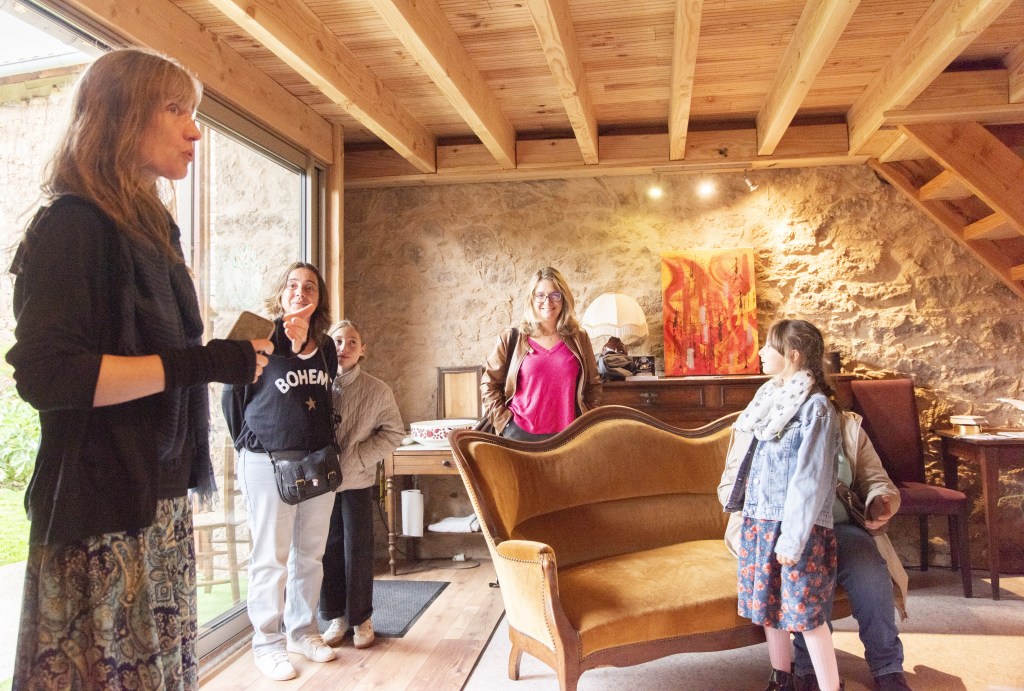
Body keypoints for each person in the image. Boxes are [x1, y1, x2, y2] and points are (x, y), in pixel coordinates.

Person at [6, 48, 269, 689]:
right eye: (175, 109)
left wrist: (214, 362)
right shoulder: (73, 227)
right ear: (121, 117)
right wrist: (204, 363)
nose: (194, 131)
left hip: (155, 506)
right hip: (100, 517)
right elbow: (49, 376)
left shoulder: (150, 230)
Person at [720, 406, 912, 691]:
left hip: (840, 528)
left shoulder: (846, 426)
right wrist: (768, 491)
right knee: (805, 571)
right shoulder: (757, 422)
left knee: (871, 575)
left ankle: (888, 668)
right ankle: (808, 670)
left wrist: (880, 500)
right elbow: (728, 489)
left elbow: (876, 480)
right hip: (780, 533)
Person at [222, 262, 338, 681]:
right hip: (267, 461)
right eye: (292, 285)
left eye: (309, 287)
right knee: (270, 558)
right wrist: (247, 444)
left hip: (317, 462)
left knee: (310, 554)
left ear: (319, 299)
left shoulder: (326, 347)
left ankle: (302, 631)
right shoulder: (260, 337)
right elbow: (232, 396)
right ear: (281, 293)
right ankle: (267, 642)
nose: (300, 292)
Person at [718, 319, 843, 691]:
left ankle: (830, 687)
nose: (760, 353)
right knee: (769, 609)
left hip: (795, 529)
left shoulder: (817, 409)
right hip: (760, 521)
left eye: (768, 347)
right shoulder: (770, 399)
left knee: (806, 615)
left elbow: (812, 480)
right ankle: (781, 679)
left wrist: (792, 539)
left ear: (793, 355)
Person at [319, 320, 405, 649]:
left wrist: (357, 458)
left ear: (363, 349)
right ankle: (335, 617)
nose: (344, 347)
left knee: (357, 549)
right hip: (320, 484)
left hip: (356, 481)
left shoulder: (378, 390)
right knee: (327, 549)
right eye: (338, 341)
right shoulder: (316, 385)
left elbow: (393, 433)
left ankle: (361, 618)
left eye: (352, 342)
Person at [481, 266, 601, 440]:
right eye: (540, 295)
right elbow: (489, 385)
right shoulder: (511, 338)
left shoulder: (579, 338)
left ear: (563, 298)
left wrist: (585, 423)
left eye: (555, 295)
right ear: (531, 298)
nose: (547, 302)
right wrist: (505, 424)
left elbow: (593, 386)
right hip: (519, 436)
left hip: (569, 437)